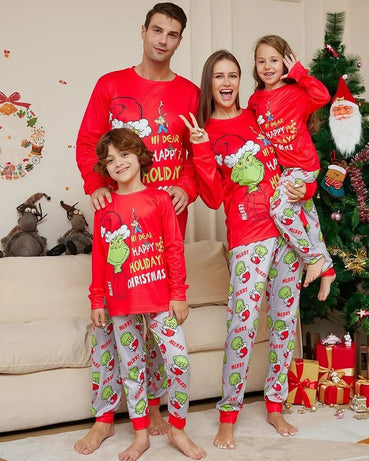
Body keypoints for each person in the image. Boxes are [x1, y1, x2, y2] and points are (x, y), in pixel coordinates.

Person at [74, 2, 199, 455]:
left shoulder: (189, 93)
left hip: (164, 221)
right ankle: (105, 418)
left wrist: (188, 186)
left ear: (179, 41)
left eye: (172, 34)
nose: (163, 40)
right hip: (119, 220)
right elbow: (89, 141)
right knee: (113, 326)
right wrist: (94, 183)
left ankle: (156, 409)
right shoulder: (111, 84)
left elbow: (196, 150)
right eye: (157, 31)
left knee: (158, 322)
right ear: (144, 31)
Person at [180, 50, 314, 450]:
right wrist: (202, 149)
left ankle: (275, 406)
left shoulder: (259, 114)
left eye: (234, 75)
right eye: (219, 75)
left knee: (284, 321)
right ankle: (228, 414)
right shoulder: (203, 130)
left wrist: (305, 188)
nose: (227, 82)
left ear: (241, 80)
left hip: (288, 230)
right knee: (242, 324)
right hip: (248, 234)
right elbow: (214, 197)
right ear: (210, 82)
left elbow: (292, 156)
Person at [88, 127, 206, 460]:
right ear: (105, 168)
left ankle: (178, 430)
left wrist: (178, 293)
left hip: (160, 301)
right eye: (110, 160)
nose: (118, 163)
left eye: (124, 154)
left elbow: (173, 247)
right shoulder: (104, 206)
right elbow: (100, 257)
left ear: (140, 157)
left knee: (179, 363)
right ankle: (141, 436)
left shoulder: (160, 199)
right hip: (121, 302)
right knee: (132, 371)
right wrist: (97, 299)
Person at [248, 35, 336, 301]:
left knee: (279, 207)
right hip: (286, 171)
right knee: (308, 218)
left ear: (285, 62)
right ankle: (328, 269)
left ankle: (312, 258)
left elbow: (323, 96)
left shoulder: (296, 92)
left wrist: (300, 74)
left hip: (304, 165)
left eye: (274, 60)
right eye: (261, 61)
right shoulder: (255, 100)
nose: (267, 66)